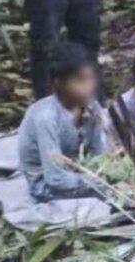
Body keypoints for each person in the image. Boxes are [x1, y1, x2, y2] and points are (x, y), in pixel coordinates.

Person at [18, 43, 107, 202]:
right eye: (80, 81)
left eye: (91, 78)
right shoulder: (46, 117)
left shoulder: (92, 106)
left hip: (80, 171)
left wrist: (104, 171)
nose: (89, 87)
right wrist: (96, 181)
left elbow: (99, 153)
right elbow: (55, 178)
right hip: (46, 184)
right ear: (58, 82)